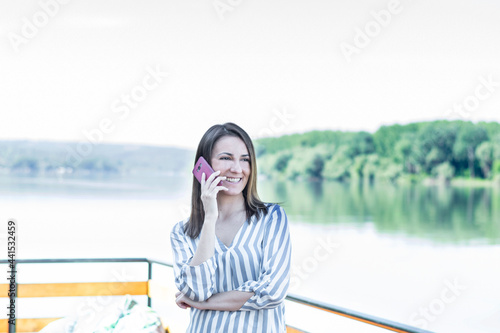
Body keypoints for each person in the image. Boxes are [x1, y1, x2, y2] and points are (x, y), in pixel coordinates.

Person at [170, 122, 291, 332]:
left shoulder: (272, 218)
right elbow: (196, 291)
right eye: (226, 158)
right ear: (203, 165)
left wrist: (203, 303)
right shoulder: (182, 233)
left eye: (245, 159)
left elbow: (272, 291)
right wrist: (210, 219)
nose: (237, 169)